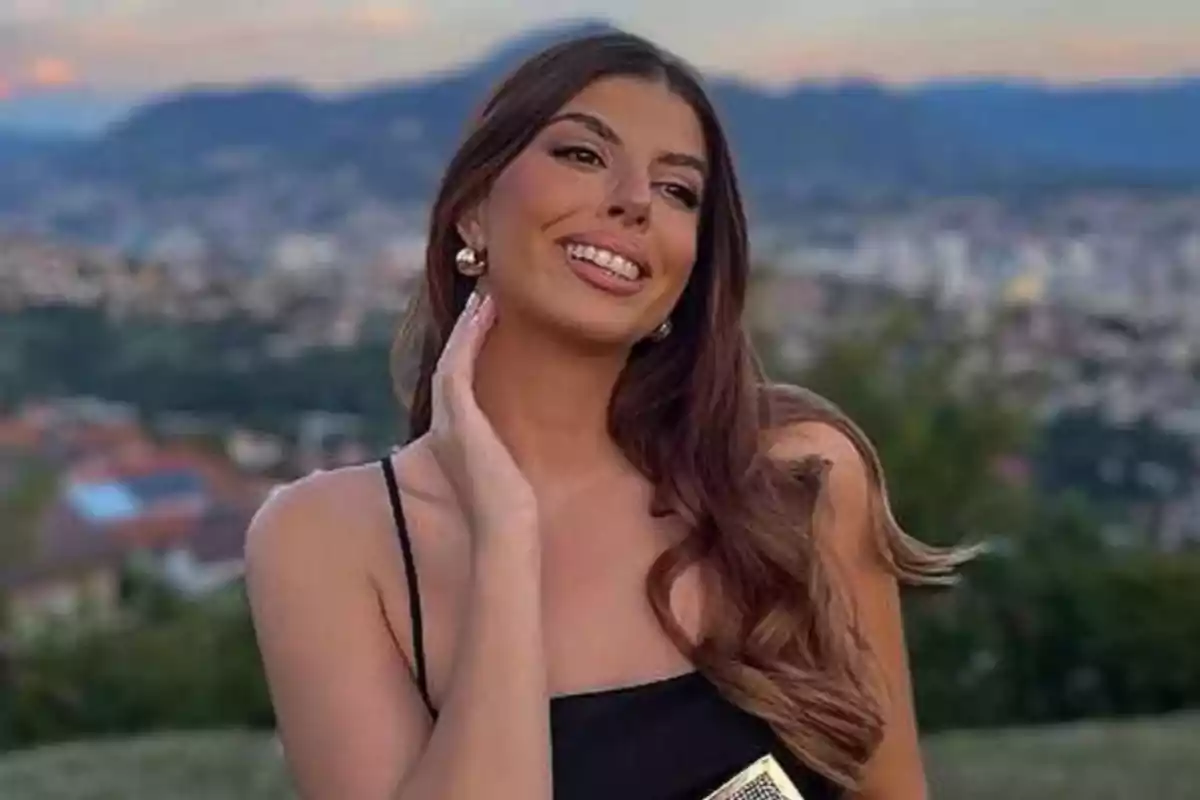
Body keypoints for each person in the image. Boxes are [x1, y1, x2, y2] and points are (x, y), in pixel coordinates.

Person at [245, 29, 977, 800]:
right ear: (471, 212)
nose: (633, 201)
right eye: (583, 155)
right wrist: (505, 533)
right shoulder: (327, 542)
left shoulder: (795, 480)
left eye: (677, 191)